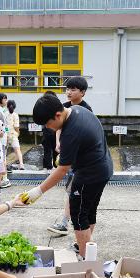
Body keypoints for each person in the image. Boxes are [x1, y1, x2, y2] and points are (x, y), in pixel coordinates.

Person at [21, 93, 112, 260]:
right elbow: (65, 133)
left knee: (78, 217)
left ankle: (87, 261)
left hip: (89, 174)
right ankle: (84, 248)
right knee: (89, 211)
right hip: (103, 168)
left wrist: (38, 191)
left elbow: (62, 170)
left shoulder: (72, 133)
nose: (48, 128)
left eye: (48, 124)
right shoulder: (76, 109)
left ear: (57, 115)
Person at [47, 78, 94, 237]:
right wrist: (58, 142)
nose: (69, 92)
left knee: (73, 190)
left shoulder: (86, 110)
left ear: (83, 92)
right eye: (67, 89)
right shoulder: (64, 107)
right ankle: (68, 221)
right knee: (72, 190)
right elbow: (59, 127)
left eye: (73, 89)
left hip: (82, 159)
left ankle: (65, 222)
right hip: (71, 156)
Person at [0, 92, 11, 188]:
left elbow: (6, 126)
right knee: (2, 159)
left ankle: (2, 178)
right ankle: (4, 179)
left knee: (1, 158)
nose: (6, 101)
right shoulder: (0, 111)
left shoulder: (2, 110)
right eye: (4, 99)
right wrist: (6, 133)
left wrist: (6, 133)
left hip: (1, 138)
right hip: (0, 139)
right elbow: (5, 126)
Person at [42, 90, 59, 171]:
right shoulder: (57, 107)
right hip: (56, 130)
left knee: (47, 149)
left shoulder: (43, 107)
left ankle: (47, 167)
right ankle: (56, 166)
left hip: (47, 130)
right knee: (56, 148)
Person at [6, 100, 25, 170]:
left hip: (6, 135)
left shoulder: (5, 114)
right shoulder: (15, 115)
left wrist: (7, 132)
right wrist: (18, 132)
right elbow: (16, 126)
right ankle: (21, 164)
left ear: (7, 106)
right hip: (13, 134)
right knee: (17, 150)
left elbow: (5, 126)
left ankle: (4, 164)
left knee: (4, 150)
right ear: (14, 106)